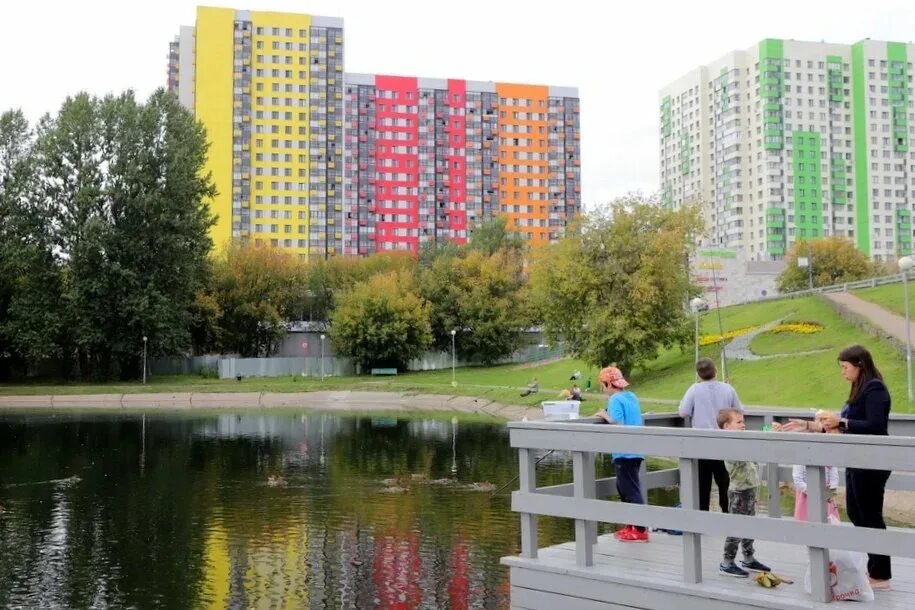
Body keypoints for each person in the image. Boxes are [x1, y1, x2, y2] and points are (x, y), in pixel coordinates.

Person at [778, 345, 892, 590]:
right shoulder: (858, 388)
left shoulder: (875, 388)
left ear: (860, 364)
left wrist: (841, 420)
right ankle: (874, 568)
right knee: (856, 512)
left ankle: (881, 574)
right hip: (855, 459)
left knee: (869, 514)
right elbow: (844, 427)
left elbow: (875, 426)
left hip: (871, 462)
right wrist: (809, 426)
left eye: (845, 367)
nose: (842, 372)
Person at [678, 357, 744, 513]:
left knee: (702, 485)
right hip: (724, 444)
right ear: (715, 370)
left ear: (699, 374)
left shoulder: (694, 389)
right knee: (725, 483)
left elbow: (683, 412)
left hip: (701, 445)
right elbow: (739, 411)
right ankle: (728, 516)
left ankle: (702, 519)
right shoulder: (728, 389)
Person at [596, 366, 648, 543]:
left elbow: (618, 423)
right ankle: (631, 526)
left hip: (624, 452)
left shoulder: (615, 399)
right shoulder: (631, 396)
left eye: (603, 386)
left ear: (608, 384)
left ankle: (640, 529)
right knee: (623, 487)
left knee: (630, 490)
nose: (603, 390)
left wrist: (605, 415)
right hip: (636, 449)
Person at [717, 408, 771, 578]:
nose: (743, 425)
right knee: (737, 527)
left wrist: (770, 431)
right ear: (726, 426)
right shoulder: (729, 444)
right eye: (739, 422)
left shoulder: (742, 439)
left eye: (743, 421)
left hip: (750, 489)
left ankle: (748, 557)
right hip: (739, 492)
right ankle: (727, 562)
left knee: (750, 526)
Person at [792, 413, 840, 522]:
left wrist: (830, 492)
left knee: (829, 522)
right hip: (806, 496)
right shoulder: (801, 454)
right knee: (806, 523)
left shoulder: (828, 453)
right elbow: (797, 479)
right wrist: (814, 492)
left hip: (826, 496)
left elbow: (834, 475)